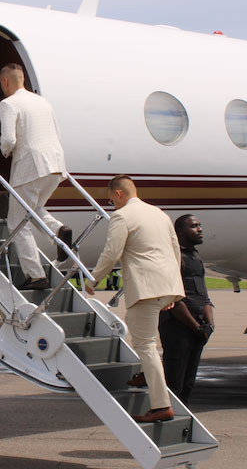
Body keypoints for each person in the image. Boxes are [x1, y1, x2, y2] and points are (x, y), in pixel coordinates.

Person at [85, 175, 184, 422]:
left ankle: (161, 406)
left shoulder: (122, 216)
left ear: (118, 194)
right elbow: (175, 250)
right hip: (166, 284)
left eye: (111, 200)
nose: (112, 206)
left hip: (145, 287)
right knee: (144, 336)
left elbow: (112, 252)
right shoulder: (159, 213)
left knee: (145, 344)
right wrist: (171, 289)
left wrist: (93, 279)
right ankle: (146, 373)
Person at [0, 63, 72, 290]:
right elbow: (57, 133)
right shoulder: (43, 102)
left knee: (18, 223)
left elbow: (9, 140)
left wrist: (4, 151)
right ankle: (58, 230)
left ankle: (36, 275)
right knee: (34, 209)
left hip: (30, 167)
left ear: (5, 82)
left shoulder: (8, 103)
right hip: (55, 165)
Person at [160, 214, 215, 405]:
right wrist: (195, 327)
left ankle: (183, 415)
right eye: (194, 226)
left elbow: (204, 295)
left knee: (189, 381)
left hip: (197, 327)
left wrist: (209, 324)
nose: (199, 229)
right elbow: (173, 299)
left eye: (200, 225)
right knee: (175, 379)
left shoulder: (195, 257)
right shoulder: (174, 258)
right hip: (178, 326)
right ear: (180, 232)